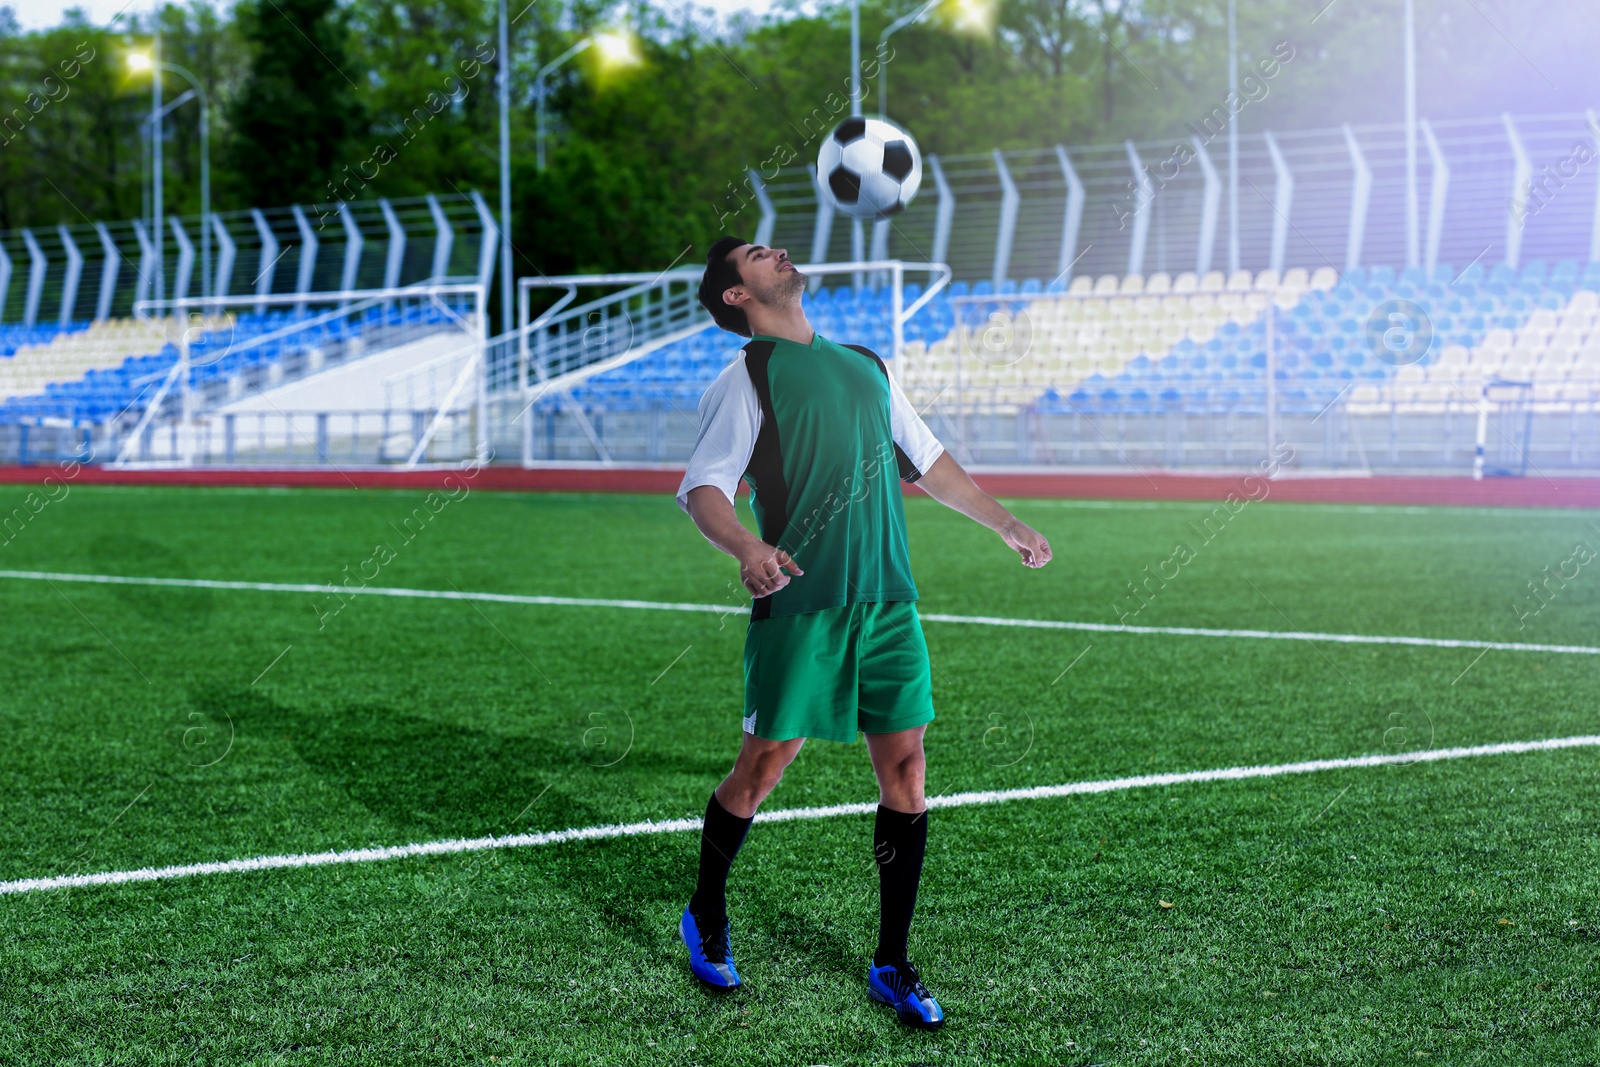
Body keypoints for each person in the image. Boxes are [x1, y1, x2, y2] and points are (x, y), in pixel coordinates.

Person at [676, 236, 1052, 1030]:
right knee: (763, 766)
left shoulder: (868, 366)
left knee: (907, 772)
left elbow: (931, 462)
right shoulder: (749, 375)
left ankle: (892, 959)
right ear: (736, 297)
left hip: (888, 601)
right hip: (802, 602)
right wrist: (748, 546)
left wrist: (1003, 519)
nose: (775, 252)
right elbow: (704, 488)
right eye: (754, 255)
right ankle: (705, 908)